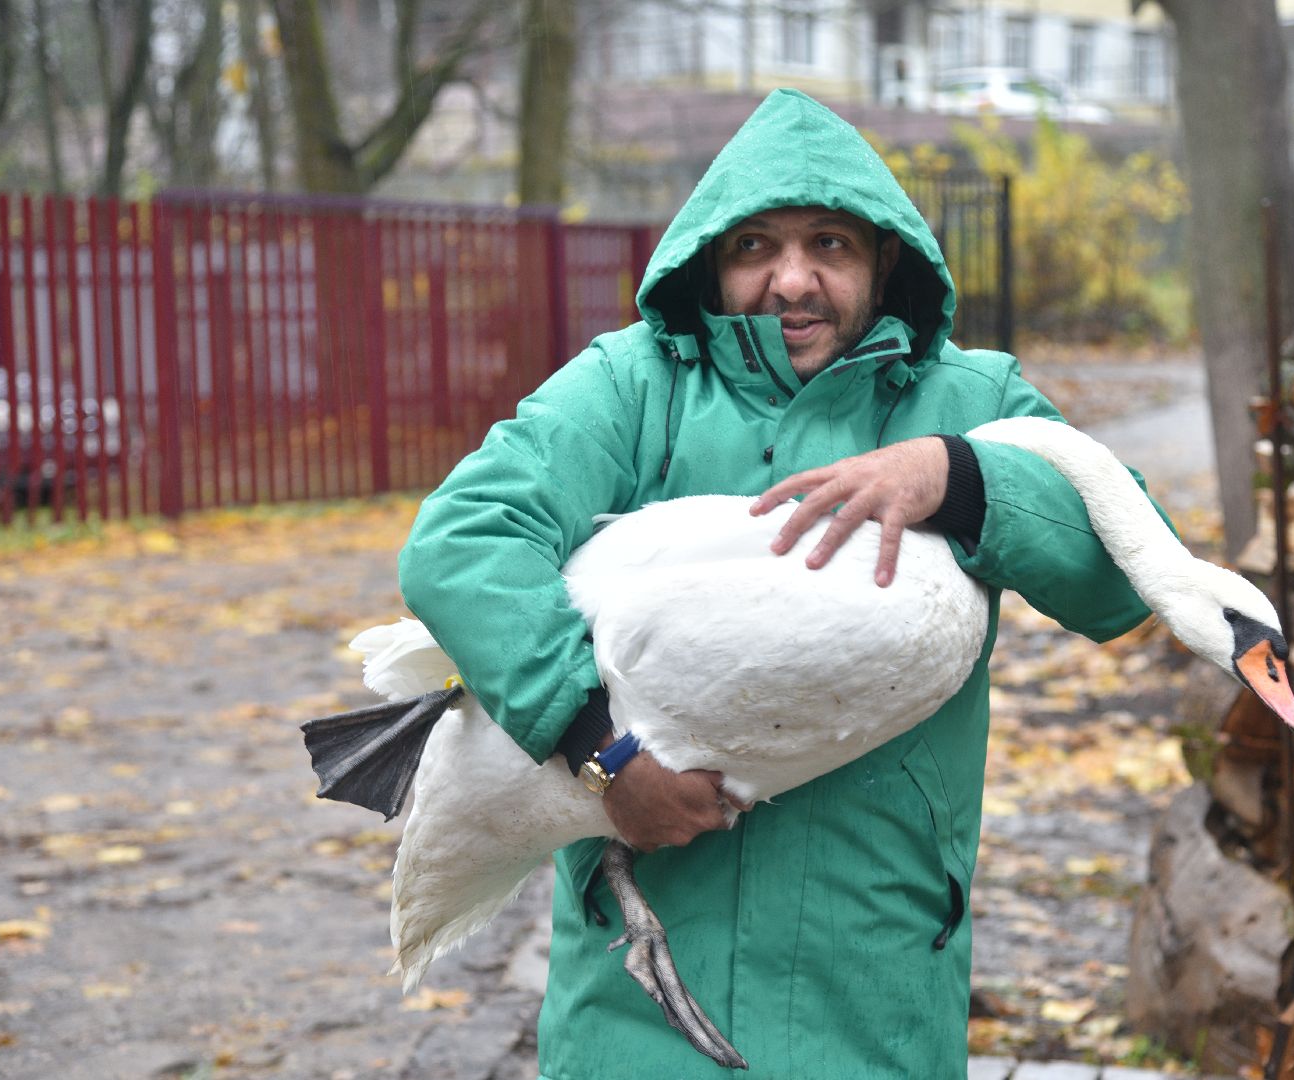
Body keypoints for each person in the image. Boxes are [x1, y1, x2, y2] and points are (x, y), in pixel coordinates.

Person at [399, 89, 1161, 1079]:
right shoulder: (634, 388)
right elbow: (462, 541)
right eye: (755, 246)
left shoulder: (973, 402)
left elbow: (1125, 579)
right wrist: (604, 758)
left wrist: (960, 477)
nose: (791, 280)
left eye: (829, 244)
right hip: (643, 998)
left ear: (883, 259)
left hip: (876, 978)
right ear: (711, 261)